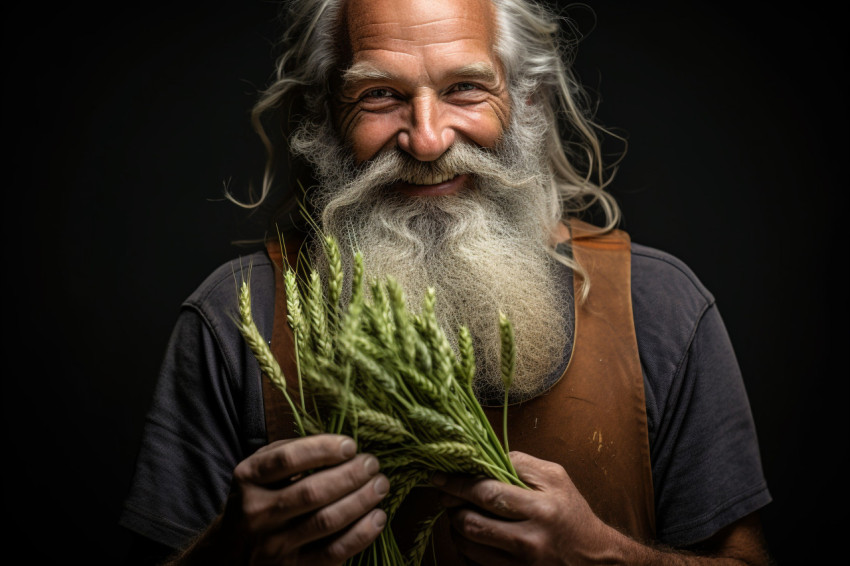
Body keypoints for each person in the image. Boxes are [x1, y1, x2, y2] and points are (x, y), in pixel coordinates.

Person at [119, 0, 773, 564]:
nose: (428, 141)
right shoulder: (235, 319)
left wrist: (600, 556)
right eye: (380, 95)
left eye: (465, 88)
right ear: (326, 116)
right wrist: (232, 552)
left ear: (526, 97)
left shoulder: (661, 309)